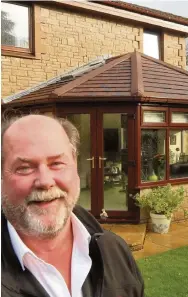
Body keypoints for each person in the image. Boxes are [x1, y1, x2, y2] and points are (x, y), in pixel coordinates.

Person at [1, 114, 144, 297]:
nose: (45, 181)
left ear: (75, 165)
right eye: (24, 168)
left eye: (57, 163)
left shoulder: (114, 249)